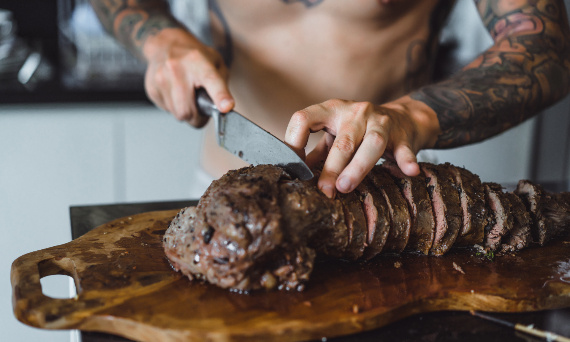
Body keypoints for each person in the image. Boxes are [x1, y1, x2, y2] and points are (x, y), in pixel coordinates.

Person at [90, 0, 570, 198]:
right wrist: (160, 40)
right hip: (227, 188)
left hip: (376, 204)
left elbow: (544, 48)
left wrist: (412, 116)